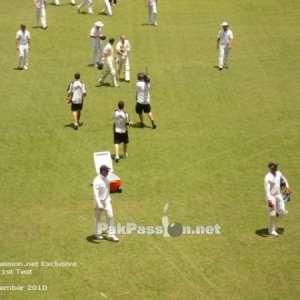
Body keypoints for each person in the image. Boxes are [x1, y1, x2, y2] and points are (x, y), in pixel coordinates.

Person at [93, 165, 119, 242]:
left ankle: (111, 235)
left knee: (110, 216)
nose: (108, 172)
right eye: (107, 171)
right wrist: (100, 205)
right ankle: (98, 234)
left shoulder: (107, 179)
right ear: (103, 171)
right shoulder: (96, 181)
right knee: (98, 218)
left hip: (107, 201)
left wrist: (109, 199)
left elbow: (107, 191)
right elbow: (96, 195)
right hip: (99, 202)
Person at [264, 161, 290, 236]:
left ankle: (272, 226)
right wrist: (269, 200)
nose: (276, 167)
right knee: (272, 214)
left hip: (278, 195)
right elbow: (267, 190)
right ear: (269, 167)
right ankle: (271, 230)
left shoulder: (278, 173)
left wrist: (287, 188)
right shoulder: (267, 178)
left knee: (282, 211)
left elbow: (284, 180)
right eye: (274, 166)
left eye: (276, 166)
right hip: (271, 196)